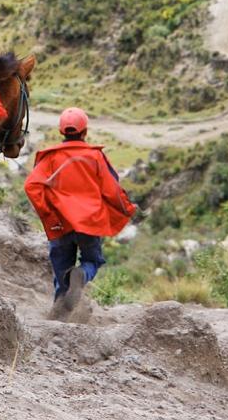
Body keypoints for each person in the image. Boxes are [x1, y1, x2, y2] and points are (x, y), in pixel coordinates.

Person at [23, 107, 136, 316]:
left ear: (61, 132)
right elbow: (112, 189)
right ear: (85, 132)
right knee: (92, 260)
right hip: (90, 223)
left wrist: (49, 214)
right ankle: (82, 275)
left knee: (61, 268)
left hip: (60, 224)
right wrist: (126, 207)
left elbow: (31, 186)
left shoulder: (51, 158)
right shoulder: (95, 157)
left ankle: (59, 308)